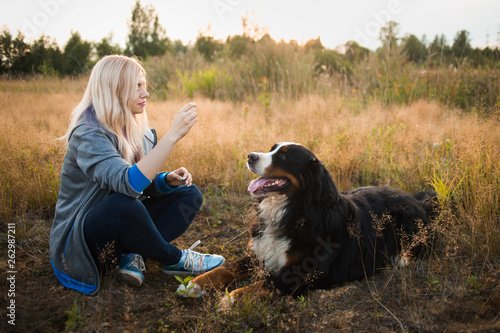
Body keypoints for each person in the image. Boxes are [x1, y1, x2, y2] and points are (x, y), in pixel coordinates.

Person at [49, 55, 224, 295]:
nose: (146, 93)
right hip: (84, 238)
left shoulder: (134, 127)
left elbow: (143, 183)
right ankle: (175, 259)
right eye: (137, 86)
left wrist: (165, 181)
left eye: (145, 85)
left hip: (122, 219)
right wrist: (172, 136)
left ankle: (132, 255)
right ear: (115, 88)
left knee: (189, 194)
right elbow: (128, 184)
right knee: (123, 205)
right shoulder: (88, 133)